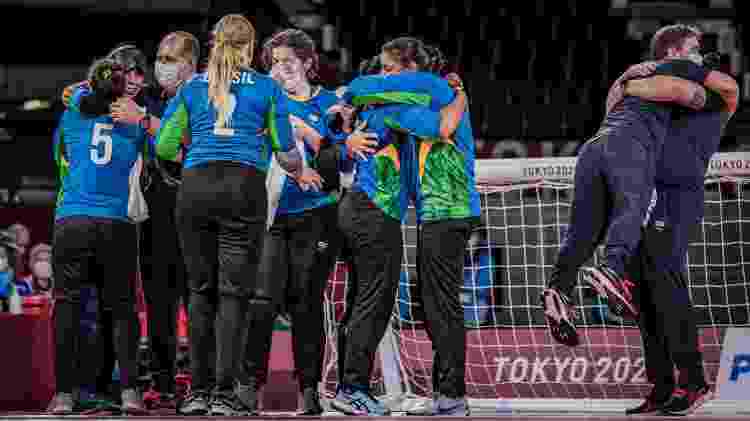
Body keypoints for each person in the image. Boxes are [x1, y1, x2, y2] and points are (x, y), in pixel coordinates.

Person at [541, 24, 738, 347]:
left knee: (583, 232)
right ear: (674, 53)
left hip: (593, 148)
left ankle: (558, 289)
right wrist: (686, 72)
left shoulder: (629, 80)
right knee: (633, 208)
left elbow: (612, 104)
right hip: (629, 147)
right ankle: (612, 269)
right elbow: (684, 92)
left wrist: (627, 82)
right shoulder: (672, 73)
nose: (700, 57)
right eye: (695, 50)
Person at [155, 14, 308, 417]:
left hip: (196, 188)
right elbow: (285, 149)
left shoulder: (192, 87)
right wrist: (296, 167)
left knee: (199, 290)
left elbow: (165, 146)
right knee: (233, 295)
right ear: (250, 46)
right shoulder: (266, 87)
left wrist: (194, 153)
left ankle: (197, 393)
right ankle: (224, 395)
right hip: (243, 188)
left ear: (214, 44)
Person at [330, 39, 470, 416]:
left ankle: (443, 394)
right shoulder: (395, 110)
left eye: (391, 70)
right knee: (373, 303)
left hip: (380, 211)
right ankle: (353, 387)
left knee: (376, 301)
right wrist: (457, 100)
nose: (384, 76)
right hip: (372, 212)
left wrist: (345, 121)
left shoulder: (395, 102)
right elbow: (441, 125)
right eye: (383, 71)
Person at [604, 54, 739, 415]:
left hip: (675, 197)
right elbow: (611, 114)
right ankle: (661, 386)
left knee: (667, 283)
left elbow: (719, 86)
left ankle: (692, 381)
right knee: (645, 295)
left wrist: (629, 80)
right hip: (640, 195)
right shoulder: (662, 104)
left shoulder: (709, 98)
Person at [238, 28, 342, 416]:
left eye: (288, 62)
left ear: (308, 63)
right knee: (261, 302)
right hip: (267, 216)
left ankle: (310, 389)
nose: (280, 71)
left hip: (315, 215)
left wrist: (317, 134)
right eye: (274, 64)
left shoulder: (331, 102)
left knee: (306, 303)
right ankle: (249, 386)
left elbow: (337, 166)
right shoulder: (261, 102)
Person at [47, 53, 149, 415]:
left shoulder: (73, 109)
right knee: (122, 309)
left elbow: (59, 152)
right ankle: (130, 393)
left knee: (67, 307)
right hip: (116, 222)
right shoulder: (136, 122)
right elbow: (156, 156)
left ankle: (63, 394)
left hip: (72, 218)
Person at [108, 31, 200, 410]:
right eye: (161, 57)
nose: (165, 65)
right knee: (160, 303)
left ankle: (201, 383)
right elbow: (93, 86)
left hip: (194, 212)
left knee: (197, 303)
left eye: (174, 58)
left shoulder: (205, 99)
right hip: (153, 214)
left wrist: (146, 122)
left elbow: (191, 151)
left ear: (192, 64)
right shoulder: (149, 98)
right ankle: (162, 384)